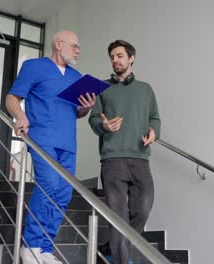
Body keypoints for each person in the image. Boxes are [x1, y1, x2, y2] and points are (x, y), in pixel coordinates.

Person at [6, 30, 96, 264]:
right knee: (48, 185)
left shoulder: (76, 76)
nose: (78, 50)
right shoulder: (34, 66)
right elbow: (12, 98)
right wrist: (20, 116)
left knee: (64, 194)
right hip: (42, 136)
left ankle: (45, 248)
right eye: (74, 45)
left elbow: (76, 113)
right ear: (58, 44)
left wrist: (86, 107)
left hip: (68, 142)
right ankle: (30, 246)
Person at [88, 40, 161, 264]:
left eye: (119, 55)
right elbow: (93, 119)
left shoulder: (146, 89)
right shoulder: (101, 87)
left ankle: (111, 247)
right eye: (112, 56)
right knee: (118, 217)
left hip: (140, 158)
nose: (115, 60)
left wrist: (153, 134)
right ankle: (120, 259)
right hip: (112, 160)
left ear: (131, 58)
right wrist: (104, 126)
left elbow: (154, 118)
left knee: (143, 209)